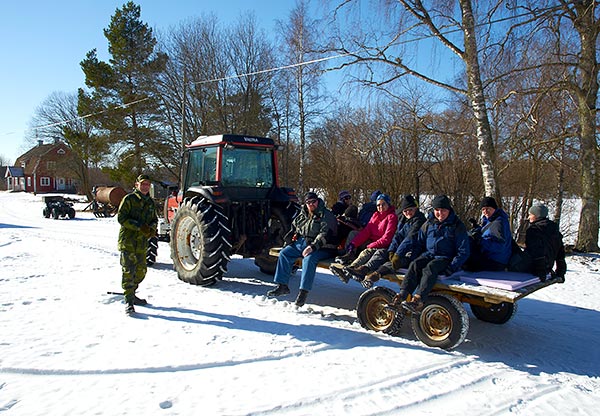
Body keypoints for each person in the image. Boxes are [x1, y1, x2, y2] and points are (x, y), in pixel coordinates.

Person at [387, 195, 470, 314]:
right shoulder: (429, 223)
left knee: (430, 268)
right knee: (415, 264)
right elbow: (420, 243)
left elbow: (463, 251)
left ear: (448, 210)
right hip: (429, 254)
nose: (440, 213)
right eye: (437, 210)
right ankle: (402, 295)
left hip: (446, 257)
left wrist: (452, 267)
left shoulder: (456, 225)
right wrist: (414, 257)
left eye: (443, 210)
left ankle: (418, 299)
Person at [267, 191, 338, 306]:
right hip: (303, 243)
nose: (311, 205)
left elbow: (325, 234)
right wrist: (289, 238)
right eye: (308, 203)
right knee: (284, 253)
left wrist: (313, 247)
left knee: (309, 259)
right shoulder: (303, 213)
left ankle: (303, 292)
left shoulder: (326, 215)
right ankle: (282, 286)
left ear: (317, 201)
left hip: (323, 247)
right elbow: (295, 227)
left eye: (313, 202)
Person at [358, 194, 427, 289]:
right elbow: (397, 236)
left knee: (395, 262)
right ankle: (363, 270)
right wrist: (391, 250)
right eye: (405, 211)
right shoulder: (404, 220)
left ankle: (376, 275)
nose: (408, 213)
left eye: (410, 210)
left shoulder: (419, 220)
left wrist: (398, 254)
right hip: (402, 249)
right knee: (383, 253)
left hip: (414, 250)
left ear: (415, 208)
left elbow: (410, 239)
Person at [330, 193, 398, 282]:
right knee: (355, 236)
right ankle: (349, 266)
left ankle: (354, 270)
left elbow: (387, 238)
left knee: (367, 252)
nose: (380, 207)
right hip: (373, 242)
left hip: (384, 246)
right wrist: (353, 244)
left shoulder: (392, 217)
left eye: (383, 204)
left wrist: (371, 245)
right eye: (378, 205)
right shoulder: (375, 216)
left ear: (388, 204)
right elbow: (366, 232)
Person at [117, 174, 158, 315]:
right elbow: (121, 218)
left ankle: (132, 294)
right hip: (128, 242)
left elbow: (154, 219)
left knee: (141, 271)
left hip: (142, 243)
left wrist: (152, 229)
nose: (145, 186)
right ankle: (128, 301)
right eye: (143, 184)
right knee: (129, 271)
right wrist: (139, 226)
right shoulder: (129, 199)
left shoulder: (150, 202)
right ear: (136, 185)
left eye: (147, 184)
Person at [463, 196, 512, 272]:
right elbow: (488, 231)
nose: (485, 211)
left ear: (494, 208)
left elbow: (500, 247)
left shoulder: (499, 223)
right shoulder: (491, 219)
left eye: (488, 209)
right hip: (490, 257)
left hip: (496, 261)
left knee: (467, 259)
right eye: (483, 209)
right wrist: (477, 228)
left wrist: (480, 241)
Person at [524, 203, 566, 282]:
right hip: (547, 267)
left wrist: (540, 270)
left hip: (534, 267)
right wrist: (561, 272)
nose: (529, 217)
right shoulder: (554, 229)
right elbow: (560, 252)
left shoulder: (534, 230)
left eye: (530, 214)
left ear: (537, 215)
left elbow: (537, 251)